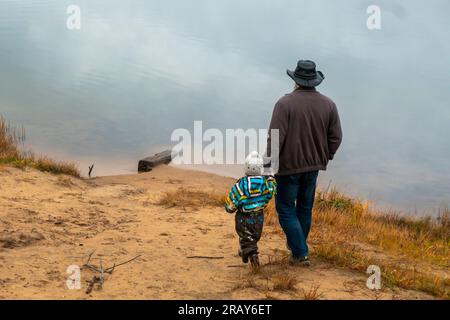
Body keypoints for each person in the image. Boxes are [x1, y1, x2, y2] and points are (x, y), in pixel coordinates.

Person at [266, 60, 343, 267]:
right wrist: (326, 155)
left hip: (288, 167)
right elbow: (336, 137)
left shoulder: (284, 104)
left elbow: (275, 137)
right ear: (315, 81)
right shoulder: (329, 104)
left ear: (295, 80)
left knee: (285, 209)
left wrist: (268, 165)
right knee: (305, 208)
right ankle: (298, 247)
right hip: (313, 166)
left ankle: (300, 253)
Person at [224, 151, 277, 268]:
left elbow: (232, 200)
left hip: (243, 217)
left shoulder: (242, 184)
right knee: (254, 236)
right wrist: (271, 177)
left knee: (246, 236)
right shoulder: (266, 184)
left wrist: (229, 207)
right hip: (259, 216)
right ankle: (246, 250)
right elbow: (273, 190)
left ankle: (252, 255)